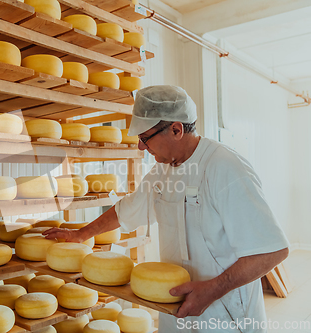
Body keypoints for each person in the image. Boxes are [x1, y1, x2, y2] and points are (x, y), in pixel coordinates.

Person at [44, 85, 289, 333]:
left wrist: (213, 289)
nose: (141, 147)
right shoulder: (162, 172)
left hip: (224, 314)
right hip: (176, 309)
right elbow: (126, 209)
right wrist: (81, 234)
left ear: (176, 129)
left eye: (144, 138)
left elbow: (272, 251)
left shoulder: (225, 168)